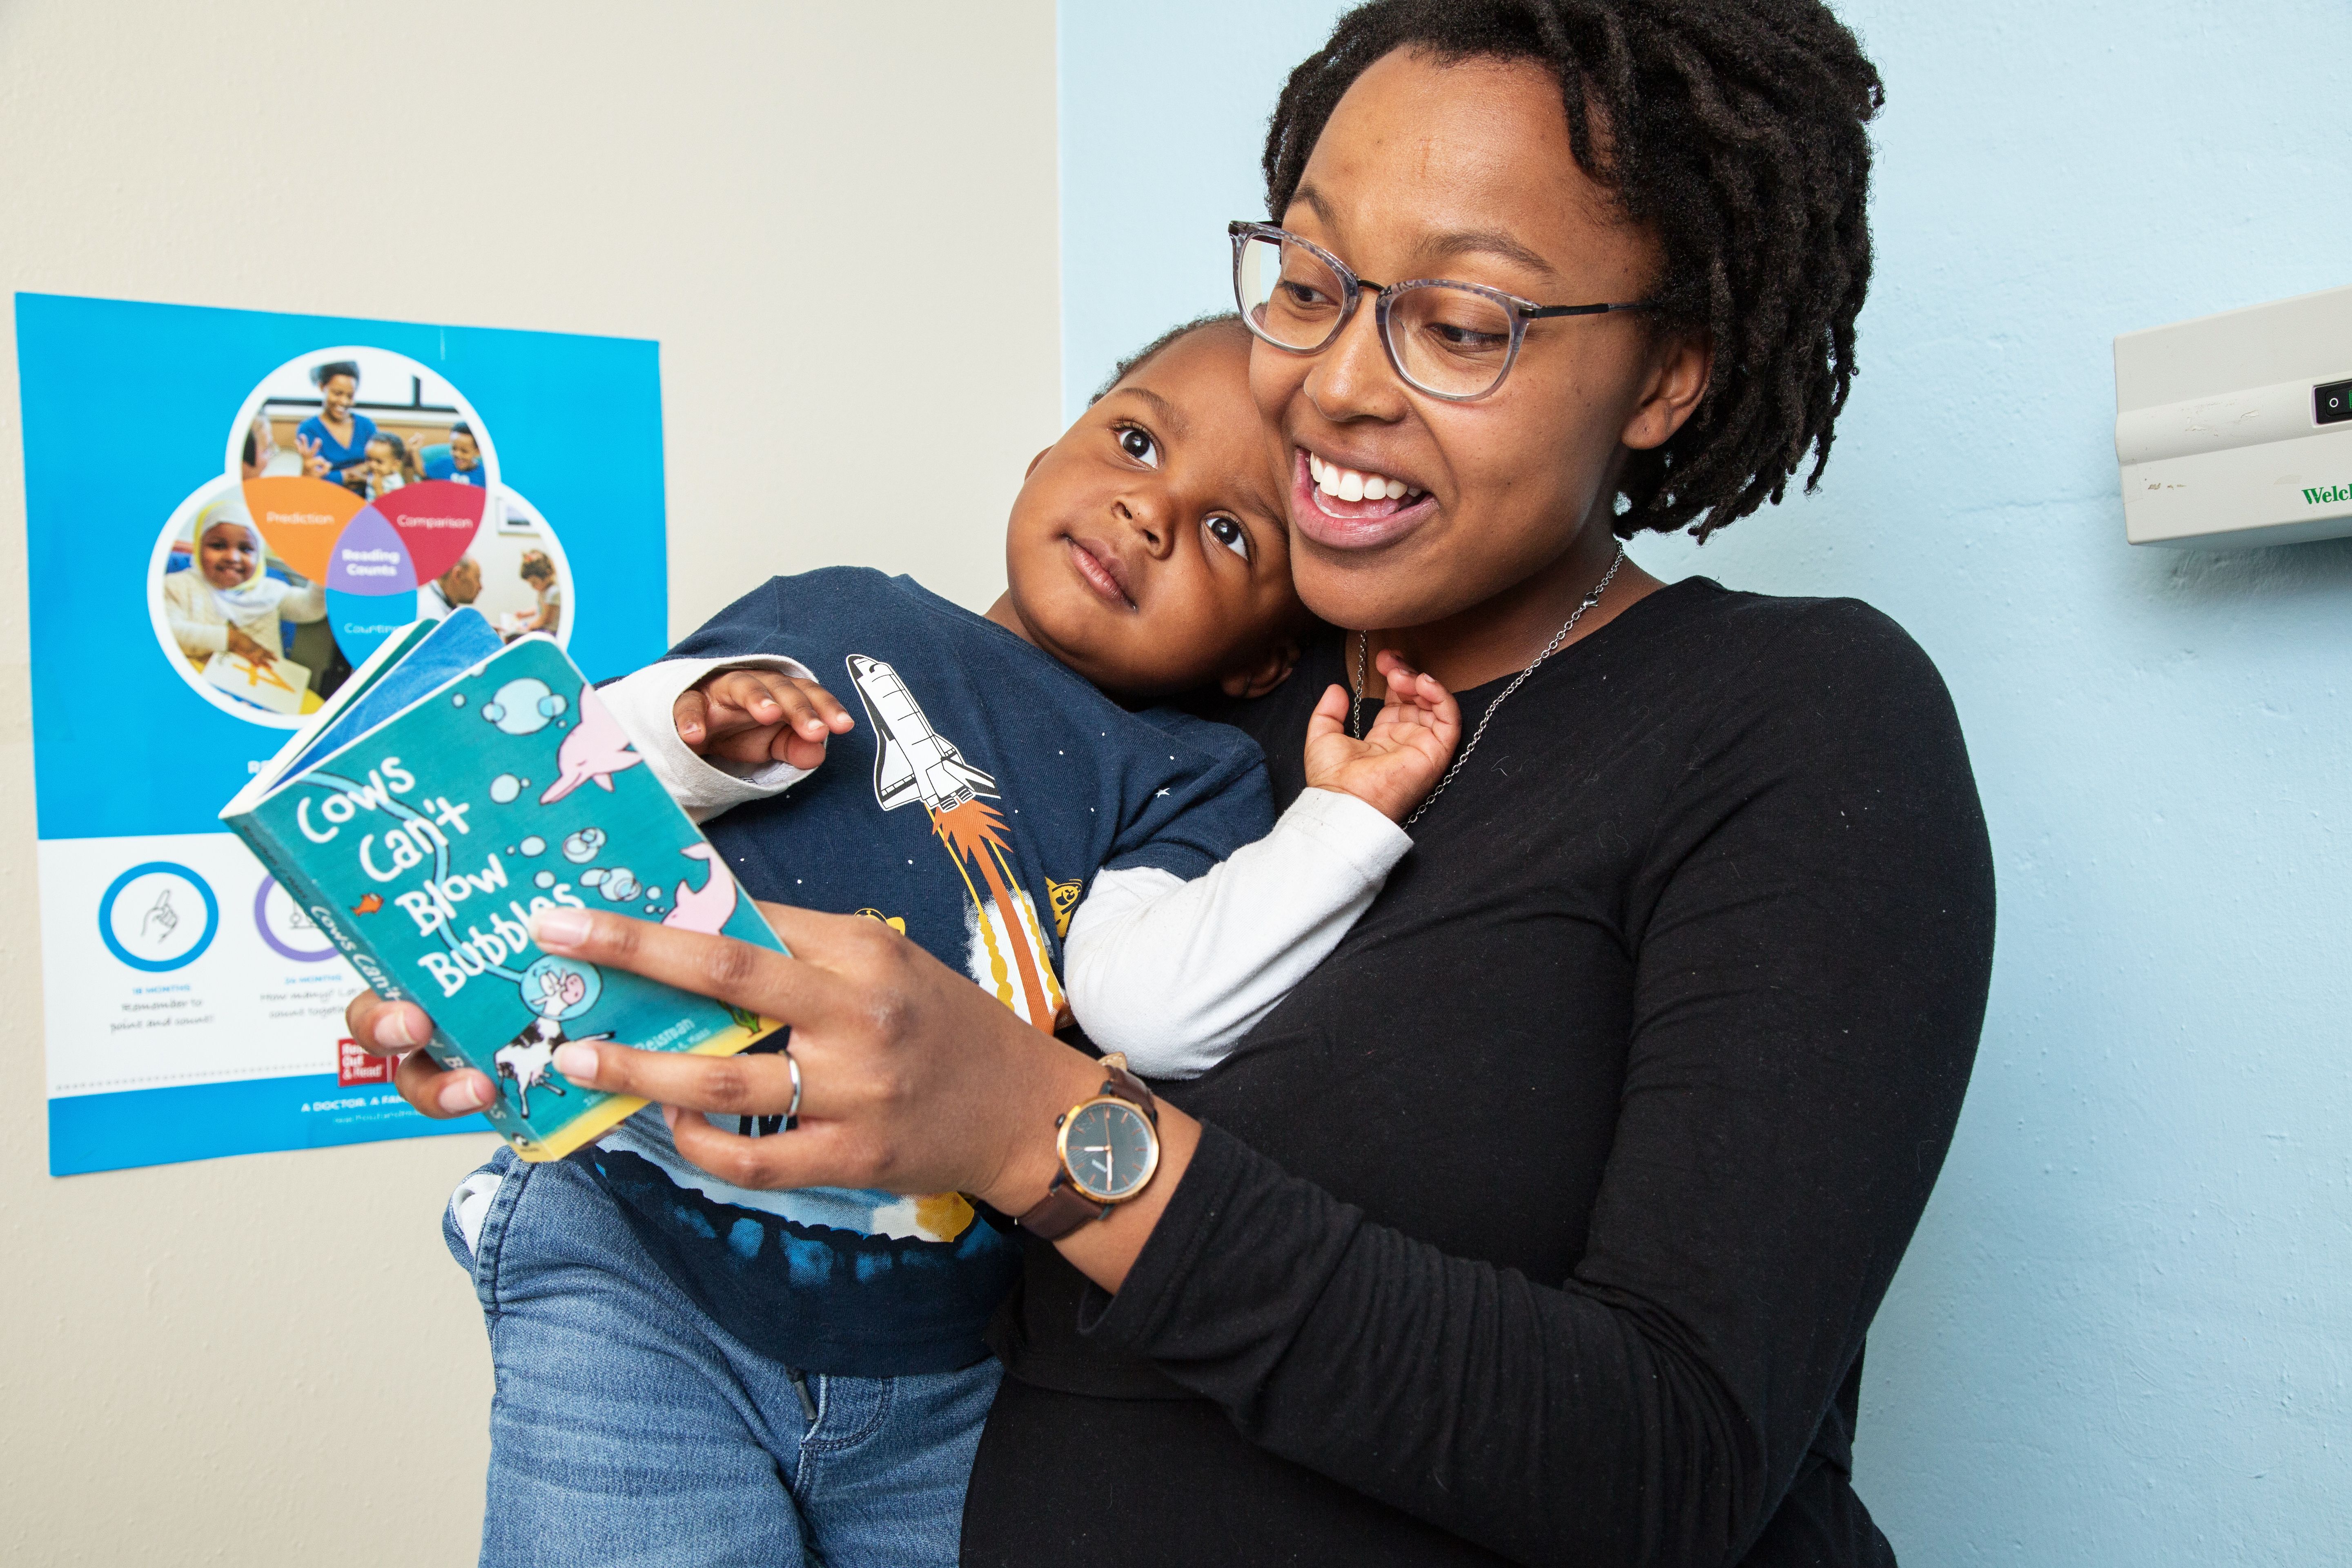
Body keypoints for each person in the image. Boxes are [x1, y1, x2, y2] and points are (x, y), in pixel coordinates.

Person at [356, 3, 1998, 1564]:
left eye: (1458, 320)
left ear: (1663, 376)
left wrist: (1040, 1128)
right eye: (1309, 278)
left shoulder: (1794, 722)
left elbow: (1677, 1464)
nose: (1338, 383)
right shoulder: (1183, 721)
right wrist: (547, 983)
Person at [408, 315, 1459, 1568]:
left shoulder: (1187, 778)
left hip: (935, 1350)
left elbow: (1152, 1010)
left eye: (1230, 531)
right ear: (1041, 457)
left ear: (1264, 659)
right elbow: (586, 797)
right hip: (642, 1254)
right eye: (1132, 442)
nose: (1149, 513)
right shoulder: (838, 615)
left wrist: (1342, 822)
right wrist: (696, 729)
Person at [162, 500, 325, 672]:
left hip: (266, 689)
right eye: (218, 546)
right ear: (199, 548)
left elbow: (310, 609)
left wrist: (324, 574)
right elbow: (167, 632)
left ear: (259, 556)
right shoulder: (176, 586)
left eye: (246, 549)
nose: (233, 557)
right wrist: (231, 639)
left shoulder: (271, 590)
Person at [292, 360, 375, 489]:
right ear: (322, 387)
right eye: (338, 394)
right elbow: (318, 477)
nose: (344, 401)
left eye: (350, 396)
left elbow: (381, 467)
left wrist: (338, 476)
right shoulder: (308, 429)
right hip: (327, 501)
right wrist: (355, 474)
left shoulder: (367, 426)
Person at [420, 421, 488, 487]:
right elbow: (423, 472)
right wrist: (414, 450)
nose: (458, 454)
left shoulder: (484, 475)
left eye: (464, 451)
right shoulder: (444, 464)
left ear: (478, 452)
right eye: (454, 448)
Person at [417, 555, 480, 621]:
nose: (481, 587)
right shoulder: (429, 615)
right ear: (458, 575)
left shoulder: (442, 604)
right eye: (477, 578)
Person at [515, 549, 560, 637]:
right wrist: (524, 614)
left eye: (535, 582)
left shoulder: (554, 593)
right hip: (544, 629)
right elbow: (539, 608)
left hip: (551, 632)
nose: (533, 587)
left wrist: (529, 627)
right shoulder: (544, 591)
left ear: (548, 574)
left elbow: (546, 619)